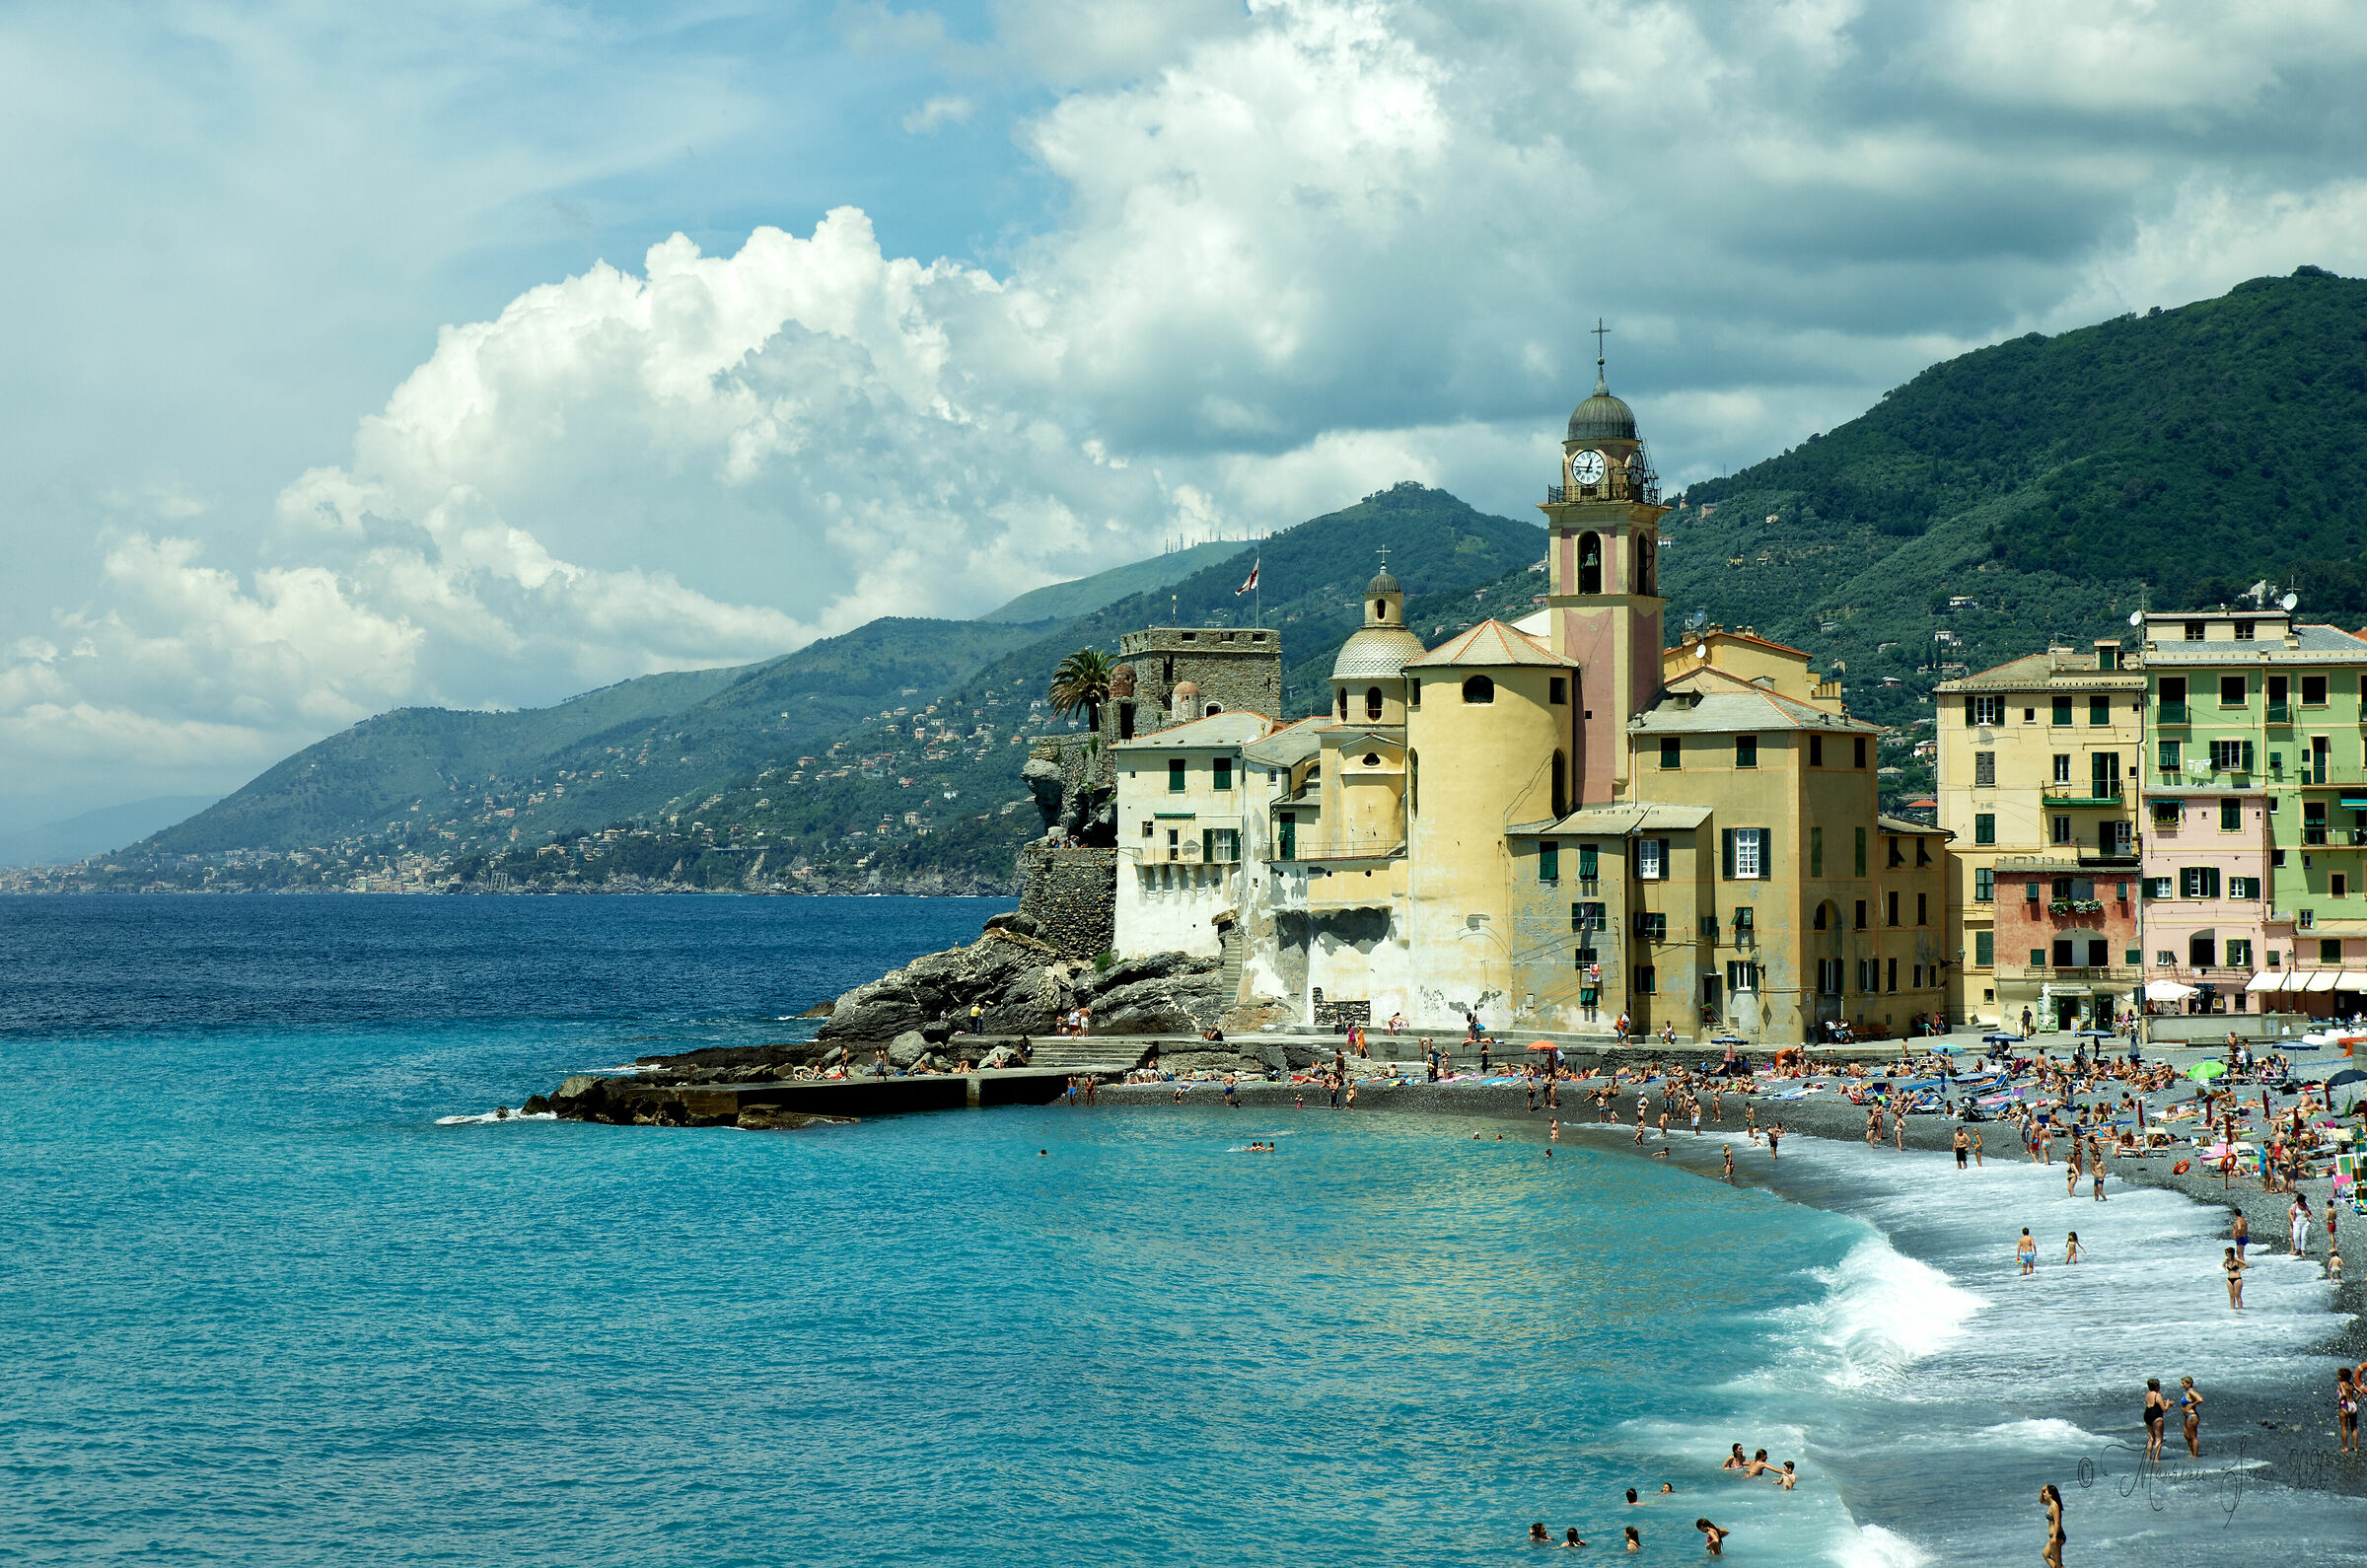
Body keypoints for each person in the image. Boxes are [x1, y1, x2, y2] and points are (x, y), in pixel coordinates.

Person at [2041, 1483, 2066, 1568]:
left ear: (2050, 1494)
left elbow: (2057, 1522)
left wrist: (2054, 1537)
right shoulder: (2051, 1504)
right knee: (2045, 1554)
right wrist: (2042, 1490)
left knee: (2058, 1563)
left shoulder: (2055, 1506)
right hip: (2054, 1537)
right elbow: (2041, 1501)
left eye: (2046, 1492)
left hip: (2057, 1536)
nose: (2044, 1494)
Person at [2143, 1377, 2168, 1461]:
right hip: (2156, 1415)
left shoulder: (2147, 1395)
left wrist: (2163, 1403)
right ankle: (2156, 1458)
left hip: (2147, 1414)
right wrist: (2168, 1403)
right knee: (2159, 1438)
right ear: (2156, 1386)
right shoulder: (2158, 1395)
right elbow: (2164, 1409)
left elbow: (2153, 1403)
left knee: (2150, 1438)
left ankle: (2149, 1458)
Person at [2180, 1376, 2202, 1458]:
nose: (2182, 1385)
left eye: (2183, 1383)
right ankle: (2192, 1453)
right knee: (2186, 1435)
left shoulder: (2191, 1391)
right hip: (2187, 1416)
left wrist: (2192, 1405)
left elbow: (2200, 1399)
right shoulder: (2188, 1392)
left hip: (2192, 1416)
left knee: (2193, 1437)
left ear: (2189, 1384)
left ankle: (2195, 1455)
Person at [2223, 1246, 2248, 1310]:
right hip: (2229, 1279)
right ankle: (2232, 1310)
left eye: (2227, 1253)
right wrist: (2226, 1269)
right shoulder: (2227, 1260)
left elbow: (2246, 1264)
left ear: (2230, 1253)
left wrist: (2240, 1270)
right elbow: (2223, 1265)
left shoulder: (2236, 1260)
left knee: (2237, 1295)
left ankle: (2240, 1310)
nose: (2226, 1254)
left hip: (2237, 1279)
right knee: (2231, 1296)